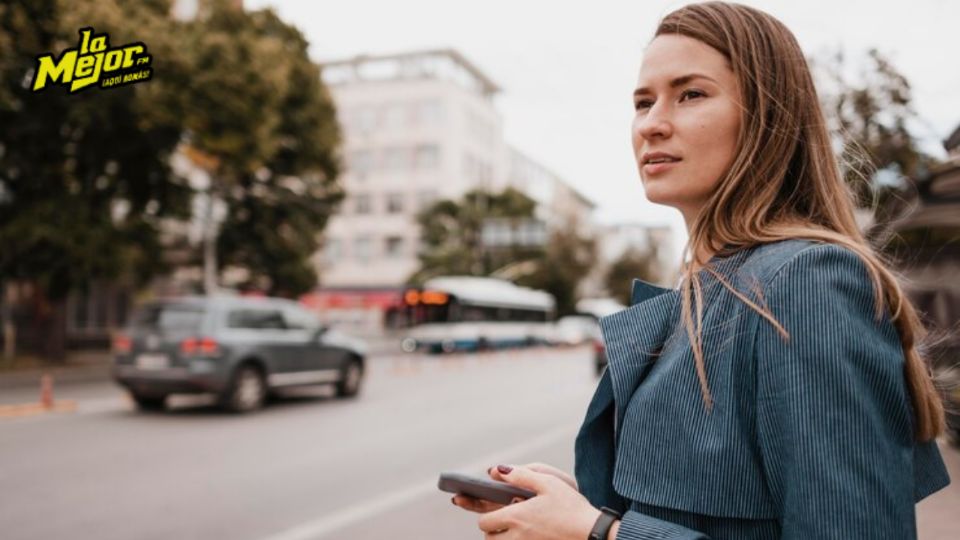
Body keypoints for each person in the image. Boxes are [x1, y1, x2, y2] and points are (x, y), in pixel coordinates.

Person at [450, 2, 951, 538]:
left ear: (767, 118)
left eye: (690, 94)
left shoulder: (809, 284)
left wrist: (600, 532)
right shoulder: (707, 293)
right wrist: (581, 511)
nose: (652, 124)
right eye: (643, 102)